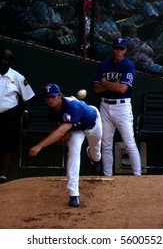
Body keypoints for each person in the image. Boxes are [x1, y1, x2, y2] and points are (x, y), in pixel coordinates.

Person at [29, 83, 102, 207]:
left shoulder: (72, 106)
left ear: (60, 96)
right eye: (47, 98)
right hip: (76, 130)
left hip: (92, 123)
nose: (50, 100)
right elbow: (58, 129)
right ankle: (74, 194)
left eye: (53, 96)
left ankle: (95, 158)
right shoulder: (51, 111)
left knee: (96, 149)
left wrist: (39, 146)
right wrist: (62, 135)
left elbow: (62, 130)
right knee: (73, 153)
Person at [94, 38, 141, 176]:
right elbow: (96, 89)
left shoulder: (128, 66)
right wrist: (113, 83)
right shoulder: (103, 65)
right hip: (105, 105)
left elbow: (122, 88)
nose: (118, 51)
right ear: (112, 49)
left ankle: (137, 176)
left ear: (125, 51)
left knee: (129, 143)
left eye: (121, 49)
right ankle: (107, 176)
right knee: (106, 144)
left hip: (122, 107)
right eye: (116, 48)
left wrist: (105, 82)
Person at [0, 48, 35, 184]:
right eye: (2, 58)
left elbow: (28, 96)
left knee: (8, 145)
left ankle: (3, 175)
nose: (4, 61)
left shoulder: (17, 77)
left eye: (7, 59)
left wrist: (26, 111)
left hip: (9, 115)